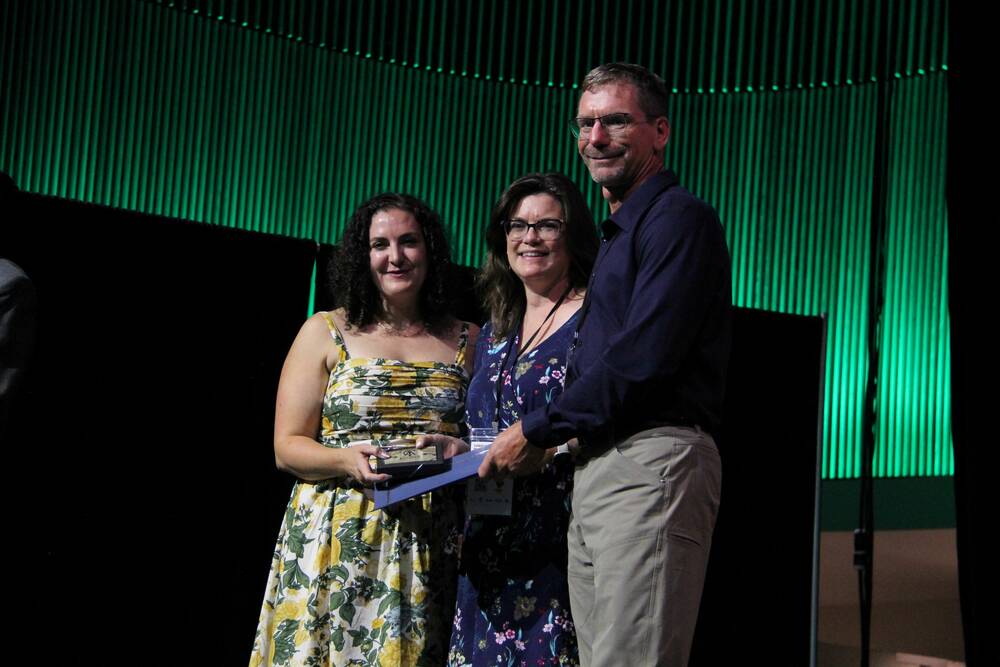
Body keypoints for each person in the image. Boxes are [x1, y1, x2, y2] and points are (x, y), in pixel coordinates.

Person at [480, 63, 732, 666]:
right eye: (585, 123)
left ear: (661, 131)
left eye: (616, 121)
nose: (596, 138)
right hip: (600, 466)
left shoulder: (676, 219)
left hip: (651, 461)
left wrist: (538, 428)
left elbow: (645, 361)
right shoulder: (621, 236)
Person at [250, 193, 478, 667]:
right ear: (362, 255)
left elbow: (488, 438)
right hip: (337, 530)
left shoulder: (469, 339)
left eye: (409, 241)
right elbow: (286, 447)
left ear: (431, 250)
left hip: (431, 538)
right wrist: (344, 460)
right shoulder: (325, 329)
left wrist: (462, 450)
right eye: (380, 244)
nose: (395, 257)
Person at [425, 173, 598, 666]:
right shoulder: (497, 328)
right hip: (485, 544)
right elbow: (485, 428)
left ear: (573, 234)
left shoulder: (595, 318)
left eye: (547, 224)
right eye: (517, 224)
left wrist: (549, 449)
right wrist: (456, 449)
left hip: (560, 542)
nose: (530, 237)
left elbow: (610, 417)